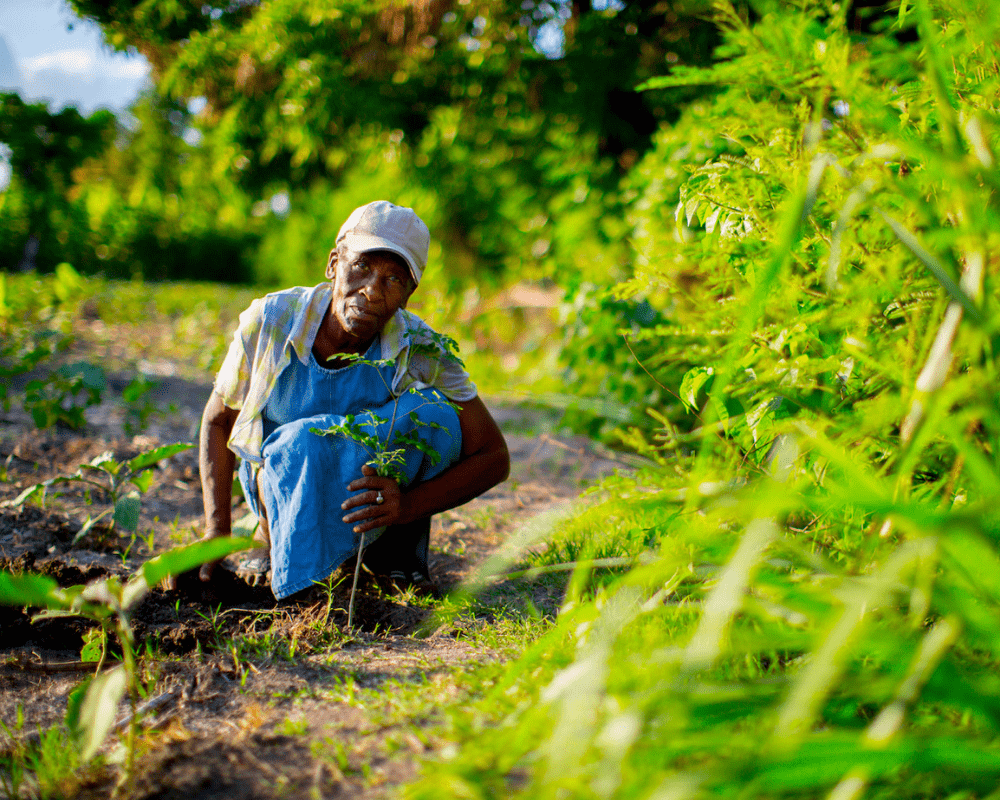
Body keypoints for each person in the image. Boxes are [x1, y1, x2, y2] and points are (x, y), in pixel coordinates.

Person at [195, 201, 509, 599]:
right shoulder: (272, 322)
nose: (372, 292)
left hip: (372, 501)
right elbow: (218, 420)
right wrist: (216, 532)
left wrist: (407, 507)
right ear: (333, 264)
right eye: (361, 267)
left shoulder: (419, 346)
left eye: (394, 280)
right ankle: (275, 539)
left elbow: (494, 455)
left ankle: (394, 545)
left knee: (436, 417)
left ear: (409, 295)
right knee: (302, 445)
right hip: (281, 483)